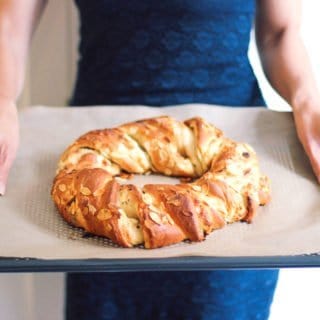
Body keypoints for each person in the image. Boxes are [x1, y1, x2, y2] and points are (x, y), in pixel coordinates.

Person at [1, 1, 320, 319]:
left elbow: (280, 32)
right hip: (98, 172)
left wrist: (307, 97)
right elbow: (9, 25)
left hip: (232, 150)